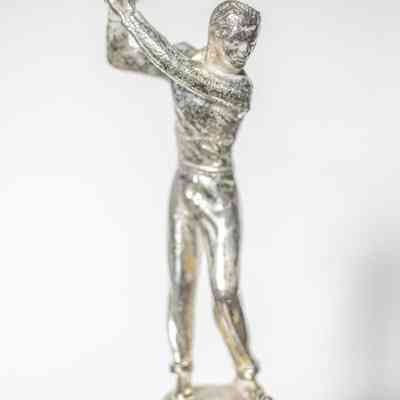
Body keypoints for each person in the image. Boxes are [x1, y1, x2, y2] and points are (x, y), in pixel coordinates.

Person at [106, 1, 268, 399]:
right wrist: (114, 13)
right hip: (185, 186)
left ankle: (245, 370)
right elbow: (120, 55)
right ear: (215, 34)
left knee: (224, 290)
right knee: (182, 283)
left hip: (219, 193)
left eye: (250, 41)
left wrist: (130, 14)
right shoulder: (184, 59)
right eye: (236, 39)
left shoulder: (237, 88)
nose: (244, 49)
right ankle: (182, 372)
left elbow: (173, 66)